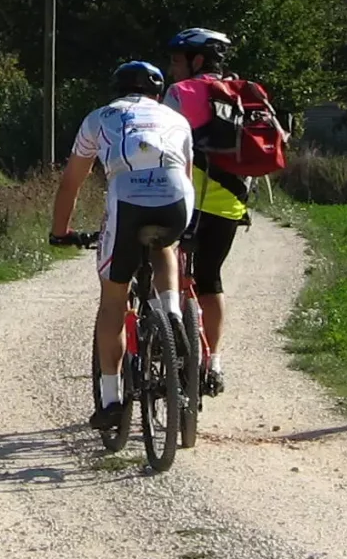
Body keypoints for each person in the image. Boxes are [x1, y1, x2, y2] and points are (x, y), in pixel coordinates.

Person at [48, 59, 195, 430]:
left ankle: (112, 401)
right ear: (157, 93)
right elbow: (187, 173)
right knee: (163, 244)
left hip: (127, 197)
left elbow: (71, 182)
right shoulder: (176, 119)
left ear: (117, 90)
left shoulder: (100, 117)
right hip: (177, 197)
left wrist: (60, 231)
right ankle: (172, 313)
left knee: (113, 300)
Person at [163, 27, 253, 396]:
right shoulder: (243, 93)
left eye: (176, 60)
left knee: (159, 263)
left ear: (196, 60)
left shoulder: (179, 94)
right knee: (210, 277)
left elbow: (160, 144)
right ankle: (213, 360)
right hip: (230, 203)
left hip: (186, 200)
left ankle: (164, 339)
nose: (171, 68)